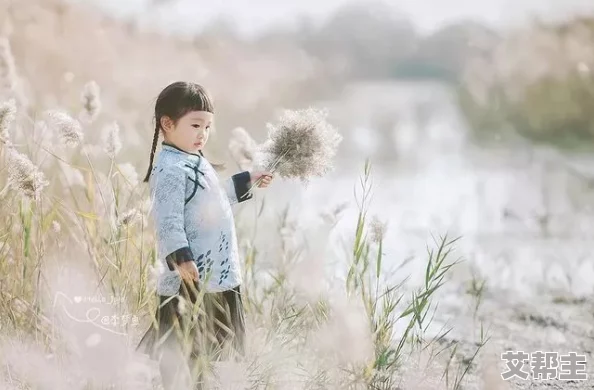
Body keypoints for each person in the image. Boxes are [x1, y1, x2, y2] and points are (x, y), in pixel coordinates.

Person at [136, 81, 272, 390]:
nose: (203, 133)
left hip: (214, 275)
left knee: (200, 352)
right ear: (167, 124)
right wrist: (180, 257)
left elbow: (214, 198)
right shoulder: (170, 168)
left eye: (208, 126)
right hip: (190, 275)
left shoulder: (194, 160)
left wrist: (246, 182)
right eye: (196, 124)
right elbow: (167, 220)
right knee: (180, 350)